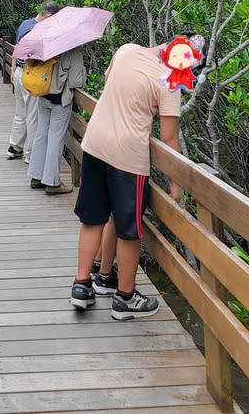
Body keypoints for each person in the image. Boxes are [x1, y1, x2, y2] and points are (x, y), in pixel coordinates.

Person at [70, 33, 205, 318]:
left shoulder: (127, 49)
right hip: (127, 157)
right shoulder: (170, 79)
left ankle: (82, 285)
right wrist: (176, 187)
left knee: (93, 218)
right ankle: (125, 298)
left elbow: (110, 86)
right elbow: (168, 138)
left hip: (94, 144)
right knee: (130, 230)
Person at [27, 44, 86, 194]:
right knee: (55, 138)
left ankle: (36, 176)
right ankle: (52, 182)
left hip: (43, 96)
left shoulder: (46, 46)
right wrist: (83, 73)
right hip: (60, 100)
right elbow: (75, 82)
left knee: (41, 135)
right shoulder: (73, 52)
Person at [6, 1, 61, 162]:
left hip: (19, 73)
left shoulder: (25, 24)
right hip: (30, 76)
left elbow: (17, 48)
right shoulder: (38, 30)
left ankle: (15, 147)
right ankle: (31, 154)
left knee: (20, 113)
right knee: (32, 115)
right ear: (49, 16)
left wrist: (13, 69)